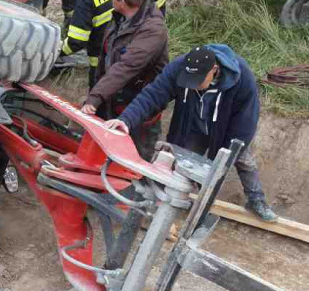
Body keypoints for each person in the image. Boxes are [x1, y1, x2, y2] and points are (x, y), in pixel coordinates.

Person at [104, 45, 278, 221]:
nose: (192, 84)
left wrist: (228, 154)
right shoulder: (180, 67)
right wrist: (126, 120)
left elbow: (246, 120)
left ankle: (256, 200)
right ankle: (170, 201)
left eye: (197, 80)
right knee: (183, 162)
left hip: (228, 129)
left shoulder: (241, 77)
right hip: (193, 125)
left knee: (242, 160)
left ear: (214, 70)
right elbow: (153, 95)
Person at [79, 0, 168, 162]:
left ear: (122, 2)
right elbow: (106, 59)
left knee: (134, 164)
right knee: (103, 155)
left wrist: (96, 96)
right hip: (113, 100)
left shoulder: (153, 30)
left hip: (139, 109)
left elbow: (126, 66)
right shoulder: (121, 18)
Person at [56, 0, 165, 87]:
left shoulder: (86, 3)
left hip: (101, 65)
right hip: (134, 60)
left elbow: (76, 42)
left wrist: (56, 52)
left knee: (98, 103)